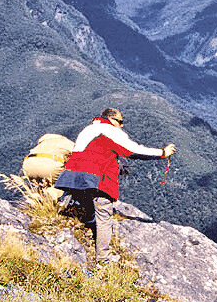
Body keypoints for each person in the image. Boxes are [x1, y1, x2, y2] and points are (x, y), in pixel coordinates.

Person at [54, 108, 176, 266]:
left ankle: (80, 214)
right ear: (111, 120)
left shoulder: (88, 129)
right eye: (120, 121)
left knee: (87, 202)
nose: (122, 125)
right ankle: (102, 262)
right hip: (96, 179)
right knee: (104, 217)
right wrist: (162, 153)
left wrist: (116, 167)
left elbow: (92, 154)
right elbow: (133, 150)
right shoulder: (110, 131)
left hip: (73, 177)